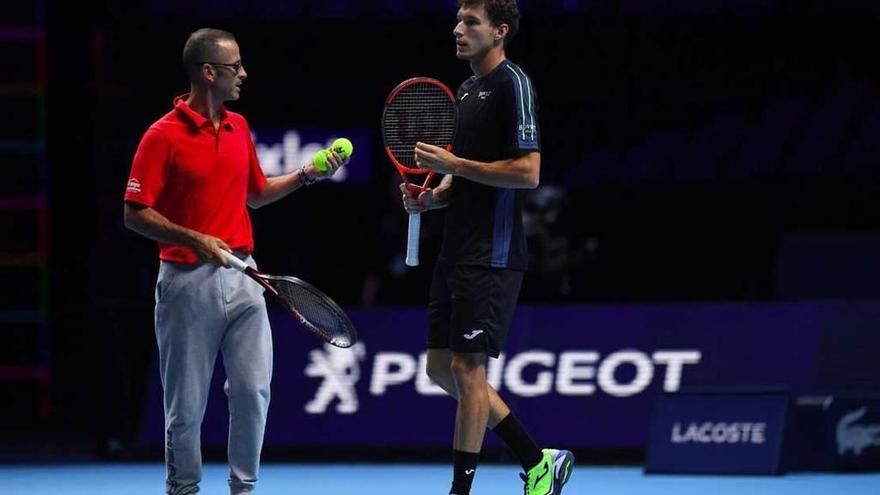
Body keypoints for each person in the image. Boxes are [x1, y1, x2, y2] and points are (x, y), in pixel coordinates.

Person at [123, 28, 347, 494]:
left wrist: (307, 174)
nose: (243, 74)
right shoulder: (161, 136)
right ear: (209, 73)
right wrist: (195, 238)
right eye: (235, 66)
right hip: (186, 284)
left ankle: (243, 489)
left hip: (246, 277)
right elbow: (134, 213)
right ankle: (183, 488)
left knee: (252, 392)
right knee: (184, 408)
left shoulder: (239, 126)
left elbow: (257, 195)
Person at [401, 2, 574, 494]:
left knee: (466, 368)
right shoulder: (465, 90)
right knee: (440, 367)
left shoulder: (512, 84)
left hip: (492, 252)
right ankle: (538, 459)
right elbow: (465, 177)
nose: (457, 29)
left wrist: (452, 161)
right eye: (457, 20)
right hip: (455, 250)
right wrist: (430, 198)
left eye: (470, 22)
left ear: (499, 31)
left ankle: (461, 489)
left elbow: (527, 172)